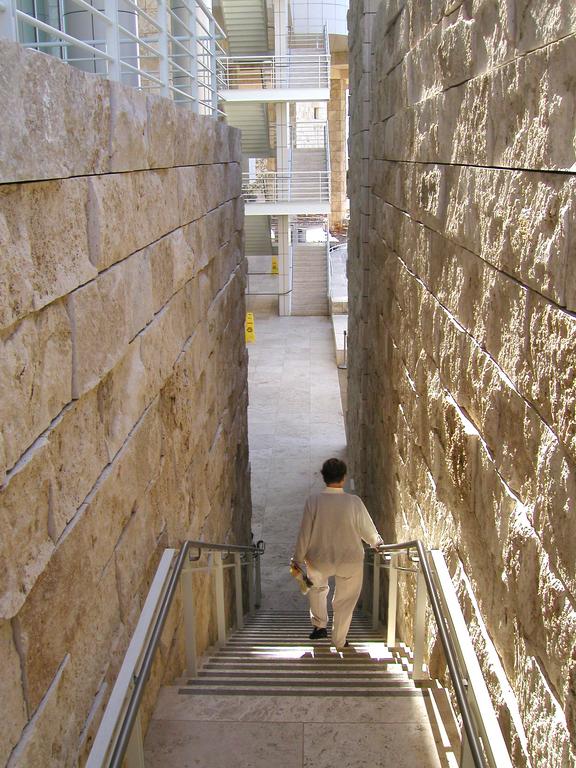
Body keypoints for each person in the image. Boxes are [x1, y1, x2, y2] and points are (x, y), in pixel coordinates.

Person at [292, 458, 383, 649]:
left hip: (318, 559)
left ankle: (319, 625)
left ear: (323, 477)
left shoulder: (313, 501)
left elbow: (305, 532)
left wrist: (297, 558)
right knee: (345, 600)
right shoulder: (353, 502)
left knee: (316, 589)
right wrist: (376, 541)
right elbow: (367, 529)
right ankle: (339, 640)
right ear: (343, 478)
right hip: (350, 559)